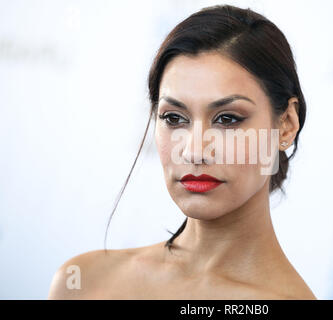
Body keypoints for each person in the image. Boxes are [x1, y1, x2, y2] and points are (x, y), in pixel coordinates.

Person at [48, 4, 316, 300]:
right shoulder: (83, 282)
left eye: (227, 119)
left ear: (287, 125)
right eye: (174, 118)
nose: (194, 151)